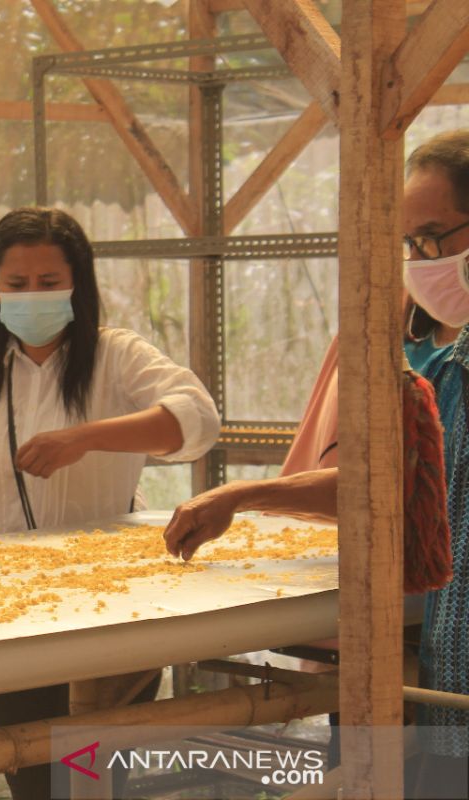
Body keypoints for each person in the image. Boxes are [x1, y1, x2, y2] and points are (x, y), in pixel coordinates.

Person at [0, 206, 220, 799]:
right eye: (17, 284)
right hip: (12, 613)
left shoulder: (117, 357)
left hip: (114, 609)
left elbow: (196, 419)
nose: (32, 296)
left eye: (49, 283)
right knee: (31, 771)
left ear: (79, 281)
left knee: (95, 778)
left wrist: (87, 436)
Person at [165, 130, 469, 798]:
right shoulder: (396, 326)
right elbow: (371, 468)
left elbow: (407, 484)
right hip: (388, 619)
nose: (417, 258)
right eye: (407, 242)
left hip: (447, 626)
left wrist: (244, 494)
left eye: (432, 236)